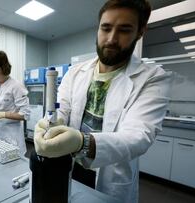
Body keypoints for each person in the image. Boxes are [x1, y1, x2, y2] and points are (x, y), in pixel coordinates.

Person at [34, 0, 172, 202]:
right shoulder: (76, 72)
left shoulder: (153, 78)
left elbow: (138, 137)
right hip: (70, 166)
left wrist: (83, 143)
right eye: (105, 28)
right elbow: (62, 108)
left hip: (111, 177)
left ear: (140, 32)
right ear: (98, 28)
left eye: (124, 30)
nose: (111, 39)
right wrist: (50, 123)